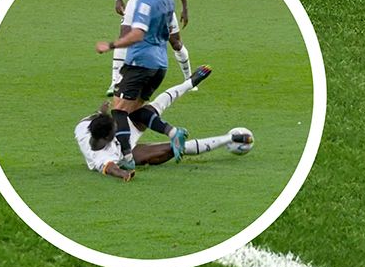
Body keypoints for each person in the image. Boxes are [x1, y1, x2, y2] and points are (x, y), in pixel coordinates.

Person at [75, 67, 252, 182]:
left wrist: (102, 112)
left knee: (146, 111)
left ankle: (189, 83)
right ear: (107, 137)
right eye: (115, 128)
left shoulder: (83, 127)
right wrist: (124, 173)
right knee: (172, 149)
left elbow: (96, 118)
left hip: (117, 135)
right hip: (126, 156)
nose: (117, 127)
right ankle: (229, 138)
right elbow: (111, 168)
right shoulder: (102, 158)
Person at [95, 0, 184, 170]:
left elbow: (138, 34)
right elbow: (168, 31)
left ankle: (126, 156)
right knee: (134, 110)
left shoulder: (147, 0)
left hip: (141, 62)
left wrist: (111, 45)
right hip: (160, 64)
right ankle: (172, 132)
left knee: (119, 110)